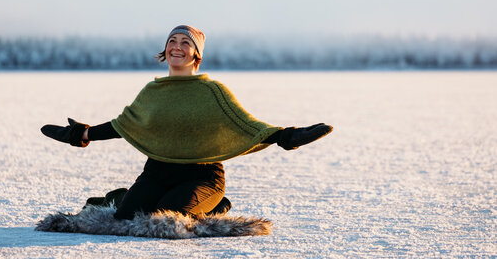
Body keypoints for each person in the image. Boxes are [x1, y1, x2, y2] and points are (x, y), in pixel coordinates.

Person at [41, 25, 333, 219]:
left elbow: (246, 126)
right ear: (165, 50)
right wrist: (82, 133)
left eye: (185, 43)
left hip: (201, 176)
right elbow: (125, 125)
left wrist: (285, 137)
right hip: (157, 171)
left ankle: (217, 204)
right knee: (127, 218)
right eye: (172, 41)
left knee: (167, 219)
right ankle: (124, 197)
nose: (177, 47)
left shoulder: (212, 91)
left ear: (196, 54)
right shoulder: (152, 91)